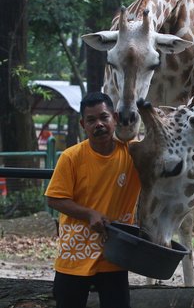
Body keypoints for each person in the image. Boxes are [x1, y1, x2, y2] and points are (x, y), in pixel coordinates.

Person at [45, 92, 141, 308]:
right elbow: (54, 199)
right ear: (83, 124)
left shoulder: (134, 153)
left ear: (115, 118)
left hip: (114, 254)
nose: (99, 124)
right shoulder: (71, 157)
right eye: (91, 120)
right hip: (74, 255)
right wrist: (89, 213)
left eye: (103, 117)